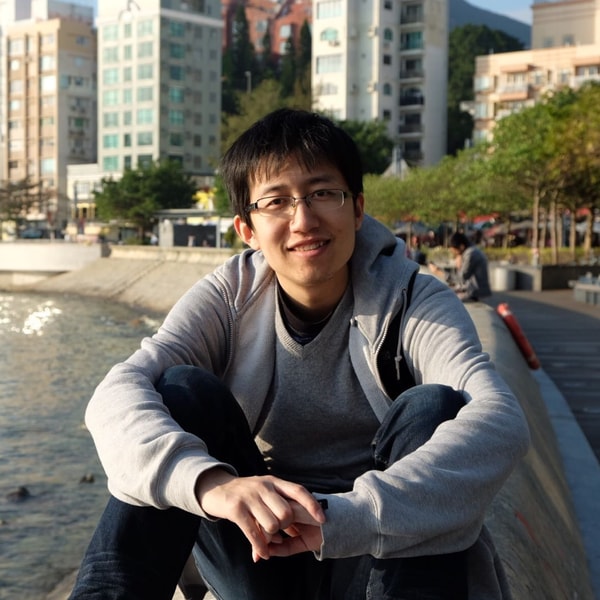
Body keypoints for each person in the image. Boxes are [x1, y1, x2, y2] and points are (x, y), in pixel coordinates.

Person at [69, 109, 529, 600]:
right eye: (276, 202)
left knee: (434, 407)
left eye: (323, 193)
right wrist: (211, 483)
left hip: (381, 554)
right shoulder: (229, 297)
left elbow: (498, 417)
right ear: (247, 229)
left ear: (357, 209)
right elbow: (117, 393)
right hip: (261, 551)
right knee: (181, 391)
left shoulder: (413, 299)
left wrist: (349, 515)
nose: (304, 221)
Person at [430, 232, 492, 302]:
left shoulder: (471, 254)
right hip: (471, 290)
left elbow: (462, 278)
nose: (453, 253)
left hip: (476, 294)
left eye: (454, 251)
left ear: (461, 246)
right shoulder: (468, 252)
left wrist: (440, 273)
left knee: (444, 298)